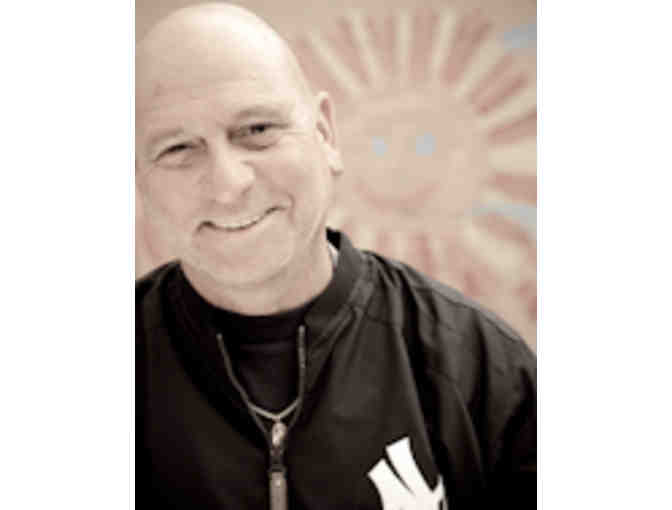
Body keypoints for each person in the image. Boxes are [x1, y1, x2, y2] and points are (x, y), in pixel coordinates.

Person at [135, 3, 536, 509]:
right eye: (177, 149)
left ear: (324, 134)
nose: (228, 184)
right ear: (138, 177)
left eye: (257, 130)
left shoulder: (480, 367)